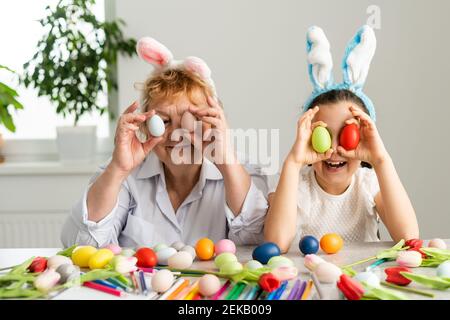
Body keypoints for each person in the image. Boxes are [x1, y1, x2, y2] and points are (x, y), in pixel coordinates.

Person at [61, 37, 268, 248]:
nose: (177, 135)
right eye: (163, 122)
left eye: (191, 120)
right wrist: (118, 169)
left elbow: (256, 242)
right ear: (144, 125)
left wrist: (226, 161)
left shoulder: (242, 170)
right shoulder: (125, 173)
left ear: (213, 122)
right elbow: (81, 245)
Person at [264, 26, 419, 252]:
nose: (335, 149)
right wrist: (293, 163)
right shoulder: (295, 183)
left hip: (360, 281)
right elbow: (276, 244)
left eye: (347, 136)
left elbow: (409, 237)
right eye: (323, 135)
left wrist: (381, 160)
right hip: (309, 280)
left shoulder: (367, 184)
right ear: (307, 138)